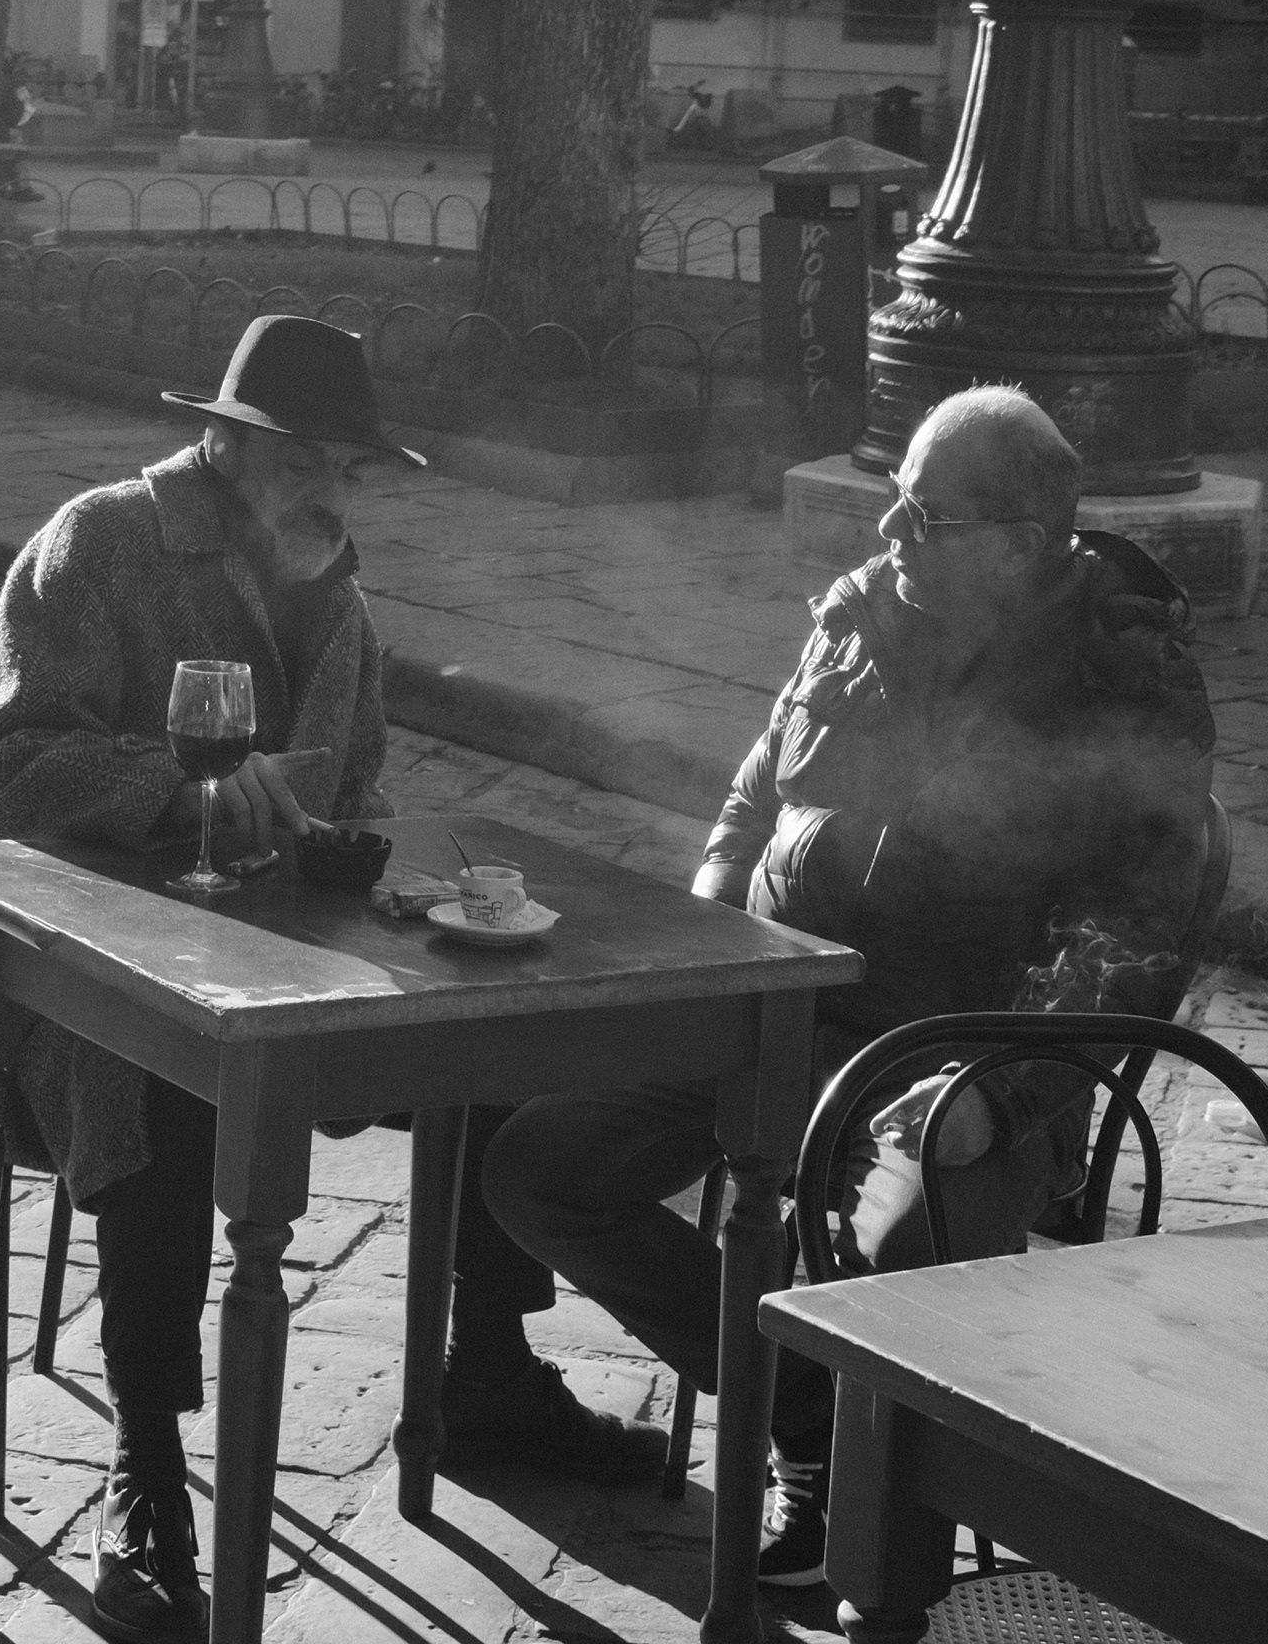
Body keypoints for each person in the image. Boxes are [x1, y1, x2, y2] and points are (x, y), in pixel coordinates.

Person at [0, 316, 659, 1641]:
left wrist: (357, 866)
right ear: (231, 445)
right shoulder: (101, 543)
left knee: (486, 1025)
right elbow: (2, 773)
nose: (333, 492)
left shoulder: (337, 598)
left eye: (350, 468)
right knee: (162, 1074)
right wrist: (176, 797)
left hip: (252, 936)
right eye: (309, 461)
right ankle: (149, 1469)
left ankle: (486, 1367)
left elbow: (345, 794)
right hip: (37, 946)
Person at [483, 383, 1222, 1591]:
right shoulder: (864, 613)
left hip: (962, 1057)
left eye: (925, 515)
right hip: (774, 1007)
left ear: (1024, 543)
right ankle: (816, 1424)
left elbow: (1135, 939)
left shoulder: (1122, 674)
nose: (889, 536)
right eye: (895, 503)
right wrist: (704, 936)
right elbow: (752, 792)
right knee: (538, 1165)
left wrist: (1000, 1089)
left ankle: (890, 1538)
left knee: (894, 1246)